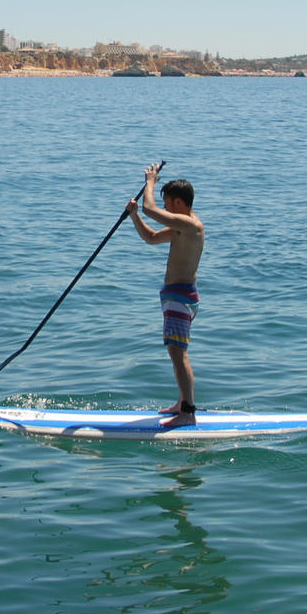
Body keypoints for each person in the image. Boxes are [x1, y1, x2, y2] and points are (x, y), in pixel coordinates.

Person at [125, 163, 206, 427]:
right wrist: (134, 216)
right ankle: (182, 403)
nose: (165, 208)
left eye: (168, 203)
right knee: (176, 352)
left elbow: (150, 209)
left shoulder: (190, 225)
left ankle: (188, 412)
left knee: (178, 354)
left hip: (181, 298)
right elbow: (150, 237)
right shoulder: (182, 227)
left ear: (179, 202)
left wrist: (150, 181)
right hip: (176, 297)